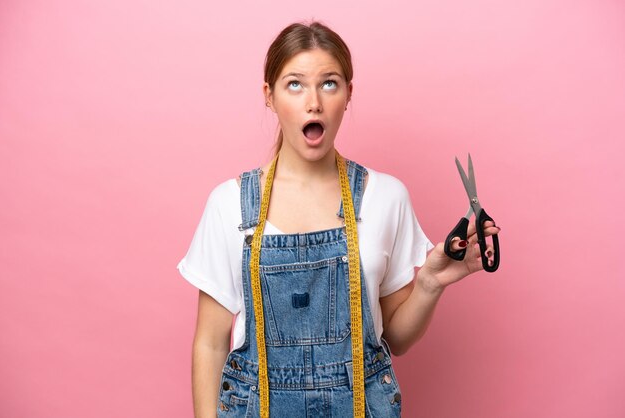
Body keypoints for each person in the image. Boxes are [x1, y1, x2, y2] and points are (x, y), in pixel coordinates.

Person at [177, 21, 500, 418]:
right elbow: (209, 344)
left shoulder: (386, 197)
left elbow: (396, 338)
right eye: (294, 84)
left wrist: (431, 283)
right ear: (269, 96)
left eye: (329, 83)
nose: (313, 102)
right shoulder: (229, 205)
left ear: (348, 94)